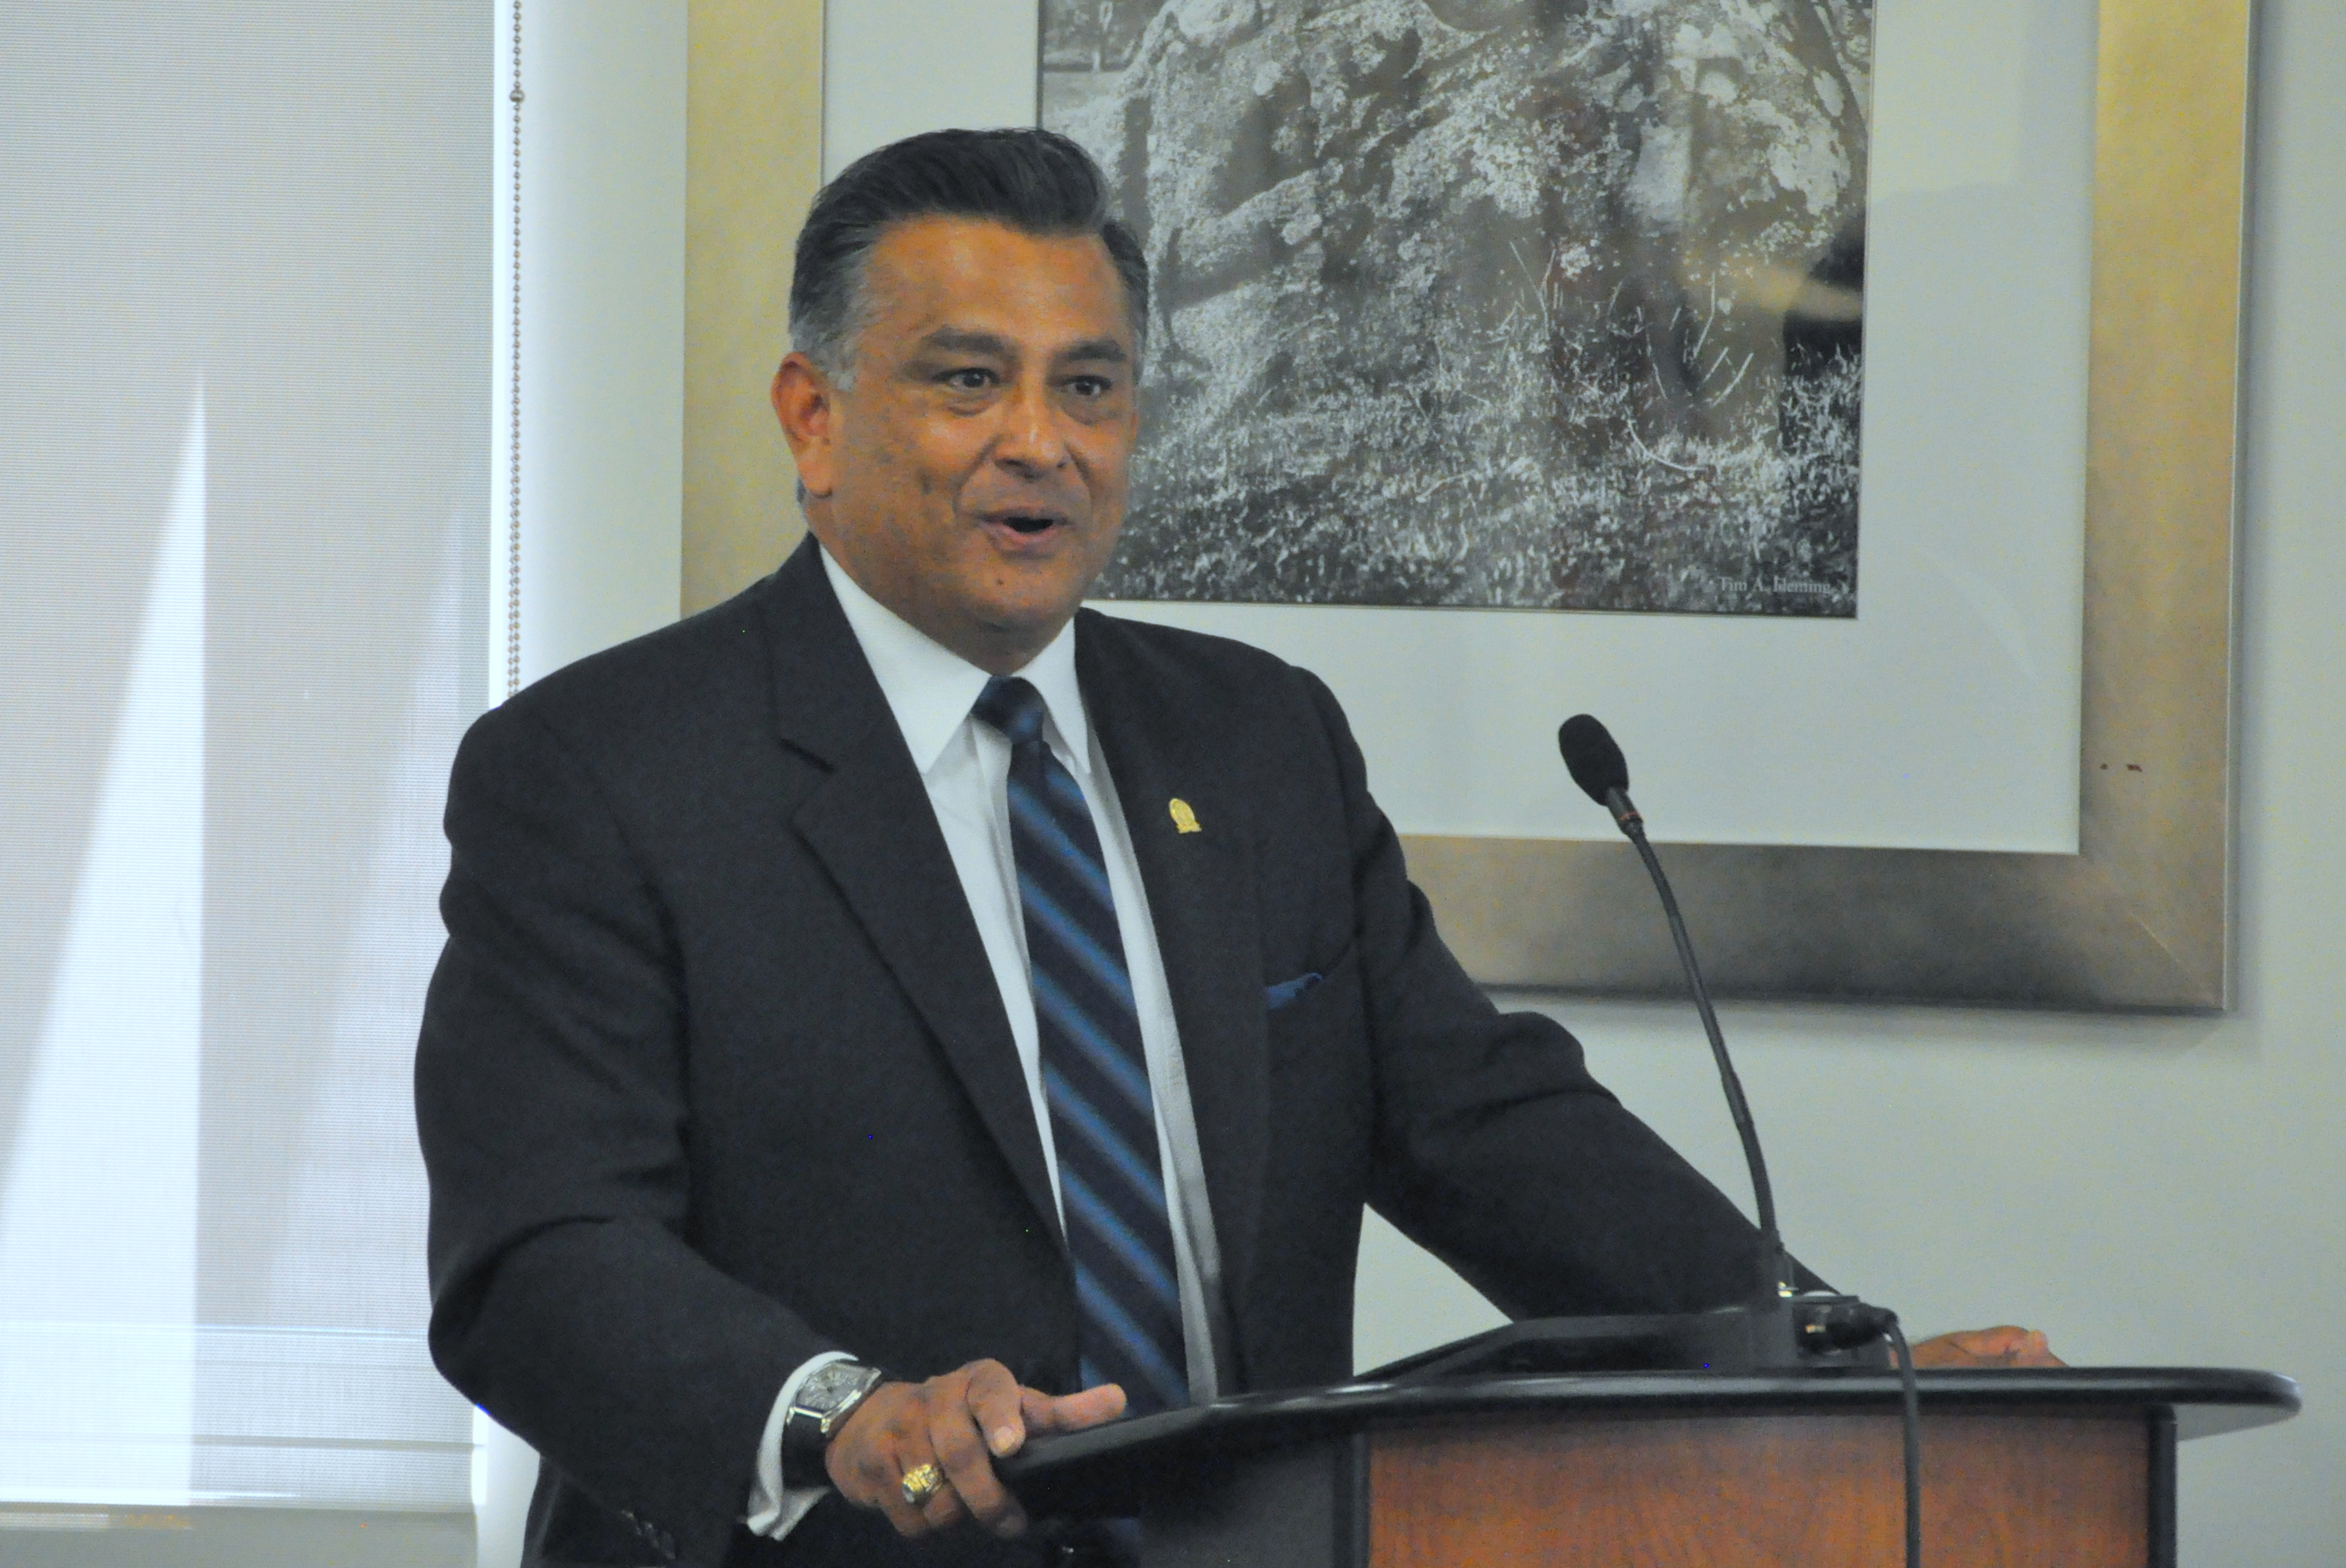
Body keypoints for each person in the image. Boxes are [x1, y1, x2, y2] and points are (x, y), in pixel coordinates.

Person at [415, 128, 2055, 1568]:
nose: (1041, 441)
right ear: (814, 416)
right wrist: (838, 1413)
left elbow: (1484, 1125)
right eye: (968, 381)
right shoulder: (601, 772)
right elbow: (541, 1255)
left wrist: (1830, 1361)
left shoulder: (1257, 740)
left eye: (1090, 386)